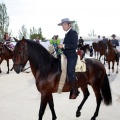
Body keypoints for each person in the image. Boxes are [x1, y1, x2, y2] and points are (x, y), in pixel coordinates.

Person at [57, 18, 79, 99]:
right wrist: (61, 48)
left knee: (70, 72)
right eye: (62, 25)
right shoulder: (66, 34)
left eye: (65, 24)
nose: (63, 26)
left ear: (70, 25)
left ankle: (75, 91)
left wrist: (64, 46)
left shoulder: (73, 32)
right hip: (65, 55)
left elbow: (74, 45)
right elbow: (65, 47)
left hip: (72, 56)